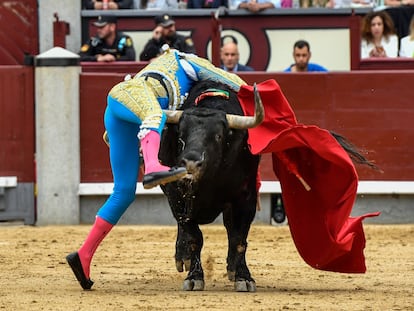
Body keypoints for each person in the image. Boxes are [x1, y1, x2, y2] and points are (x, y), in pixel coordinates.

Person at [66, 45, 246, 290]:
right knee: (156, 114)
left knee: (123, 193)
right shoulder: (187, 61)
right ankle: (153, 166)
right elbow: (231, 80)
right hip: (131, 97)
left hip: (123, 117)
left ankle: (83, 256)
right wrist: (262, 95)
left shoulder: (166, 69)